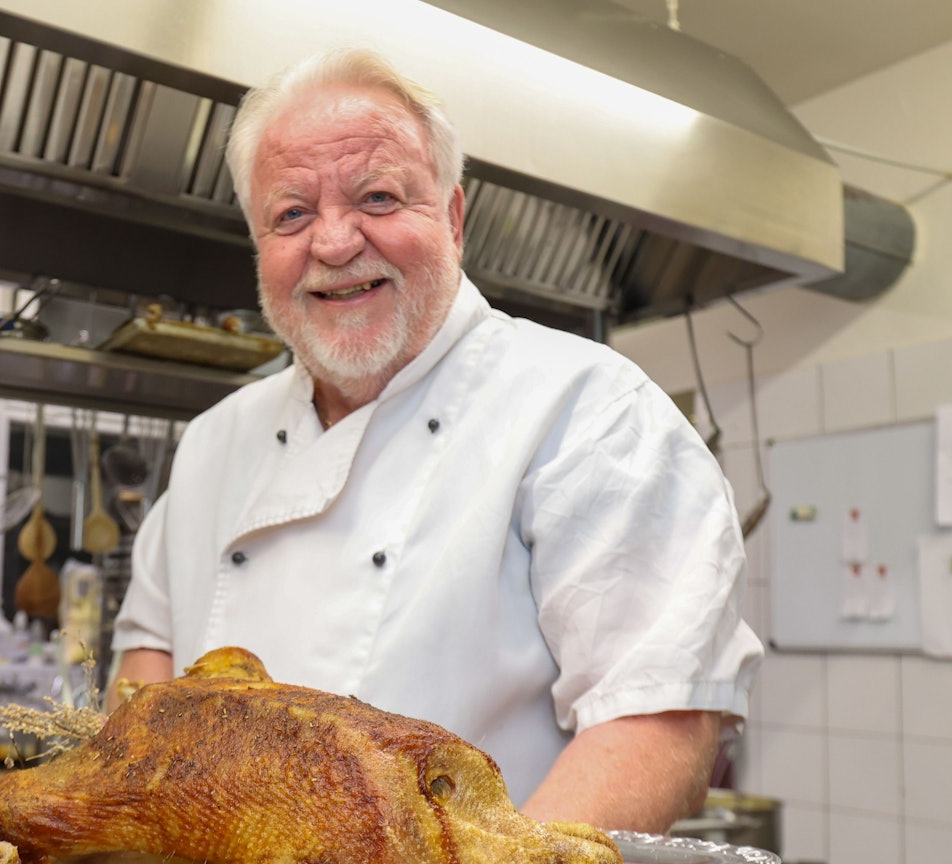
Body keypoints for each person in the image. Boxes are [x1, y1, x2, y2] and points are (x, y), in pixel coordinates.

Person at [108, 47, 762, 834]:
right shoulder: (215, 441)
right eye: (291, 214)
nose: (336, 242)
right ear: (259, 244)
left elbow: (656, 719)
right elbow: (147, 664)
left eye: (378, 197)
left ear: (452, 218)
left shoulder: (586, 409)